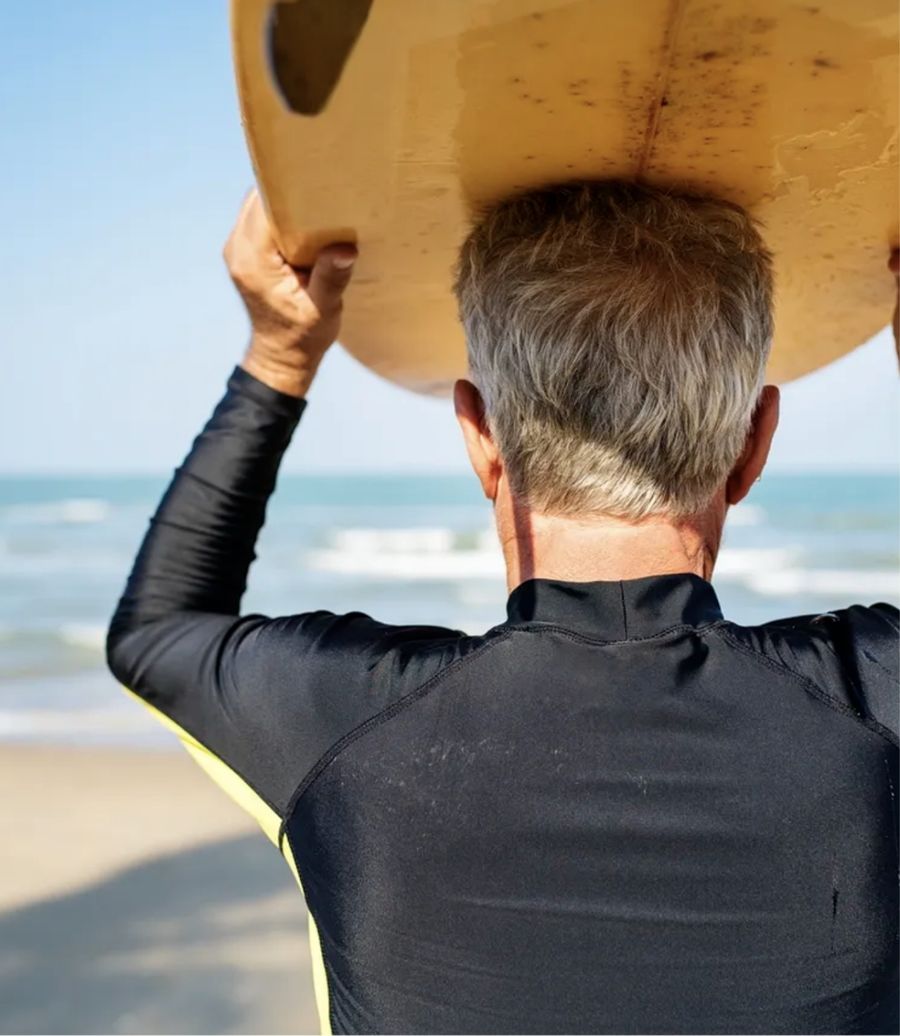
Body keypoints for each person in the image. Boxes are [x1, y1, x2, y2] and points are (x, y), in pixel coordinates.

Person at [107, 180, 899, 1035]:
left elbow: (160, 632)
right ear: (754, 447)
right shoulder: (872, 711)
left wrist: (279, 357)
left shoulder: (345, 729)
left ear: (479, 440)